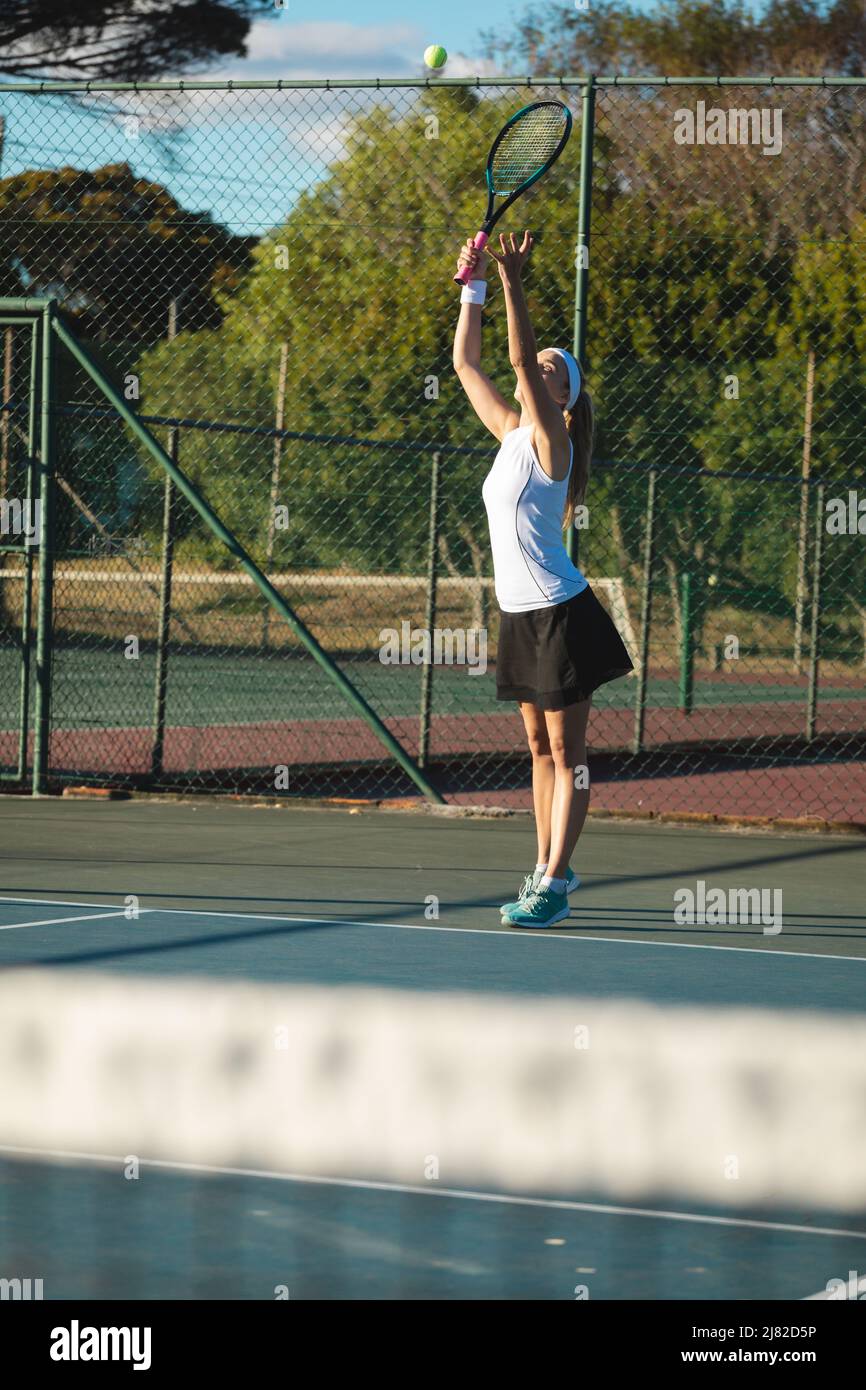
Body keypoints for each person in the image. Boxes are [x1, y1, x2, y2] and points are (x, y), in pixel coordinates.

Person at [453, 230, 633, 928]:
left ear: (563, 395)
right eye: (546, 361)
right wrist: (470, 284)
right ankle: (541, 868)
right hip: (518, 614)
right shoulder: (507, 436)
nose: (543, 366)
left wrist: (512, 280)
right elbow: (467, 363)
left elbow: (517, 358)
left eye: (557, 368)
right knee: (536, 748)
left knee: (568, 750)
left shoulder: (552, 441)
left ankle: (559, 880)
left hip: (562, 612)